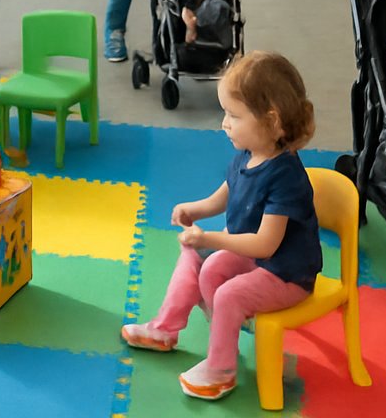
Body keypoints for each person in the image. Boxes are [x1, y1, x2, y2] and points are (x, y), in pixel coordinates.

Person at [120, 52, 321, 401]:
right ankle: (191, 334)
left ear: (271, 121)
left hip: (287, 274)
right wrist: (195, 210)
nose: (224, 124)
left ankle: (222, 370)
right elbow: (226, 195)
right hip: (260, 262)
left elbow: (265, 246)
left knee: (228, 291)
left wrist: (212, 236)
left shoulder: (286, 176)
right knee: (209, 265)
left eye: (233, 115)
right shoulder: (248, 153)